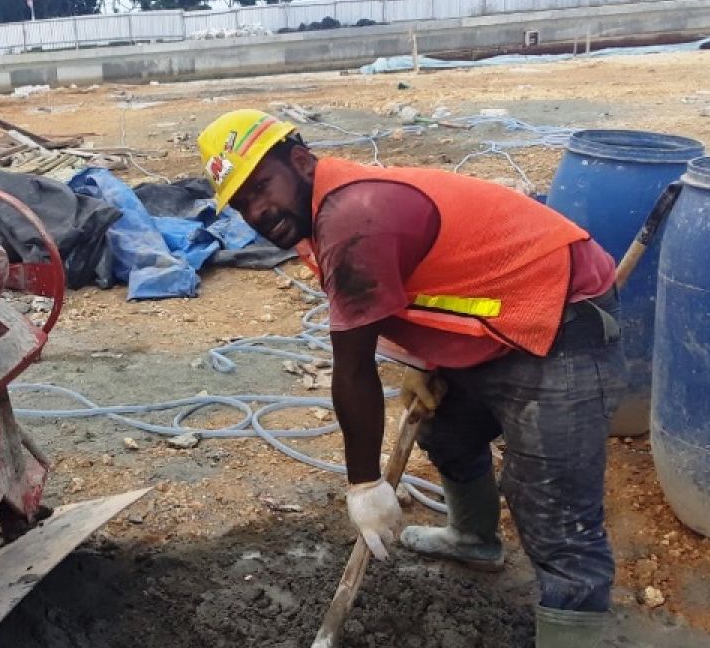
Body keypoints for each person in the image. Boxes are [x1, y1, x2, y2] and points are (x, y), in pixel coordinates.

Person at [197, 109, 627, 648]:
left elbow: (352, 368)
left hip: (556, 315)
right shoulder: (314, 212)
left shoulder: (354, 215)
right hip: (492, 323)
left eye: (262, 186)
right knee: (445, 430)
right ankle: (473, 538)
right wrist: (426, 364)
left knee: (554, 512)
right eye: (242, 203)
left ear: (301, 162)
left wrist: (364, 484)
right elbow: (416, 285)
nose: (258, 211)